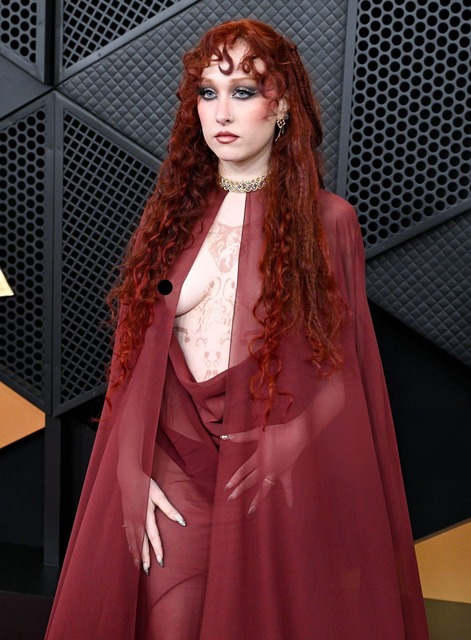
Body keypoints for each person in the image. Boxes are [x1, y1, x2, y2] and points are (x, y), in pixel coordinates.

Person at [46, 19, 429, 640]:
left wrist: (294, 439)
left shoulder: (329, 222)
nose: (221, 112)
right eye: (208, 92)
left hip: (266, 471)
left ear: (282, 107)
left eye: (243, 92)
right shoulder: (170, 219)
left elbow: (344, 368)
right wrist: (127, 468)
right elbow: (131, 358)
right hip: (175, 464)